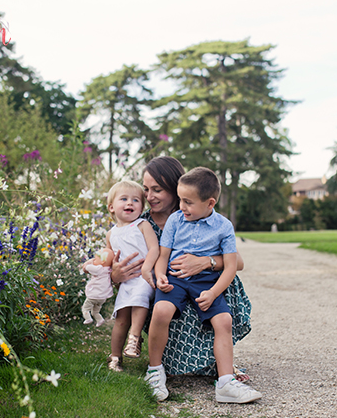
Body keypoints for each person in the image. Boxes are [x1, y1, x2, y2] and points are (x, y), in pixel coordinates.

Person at [111, 157, 252, 379]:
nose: (148, 196)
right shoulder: (139, 222)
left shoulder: (198, 213)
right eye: (146, 189)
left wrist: (206, 261)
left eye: (157, 189)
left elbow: (238, 262)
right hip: (164, 287)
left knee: (217, 289)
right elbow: (117, 255)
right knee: (167, 301)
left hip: (200, 282)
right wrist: (114, 274)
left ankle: (220, 362)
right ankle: (165, 364)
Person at [146, 166, 261, 403]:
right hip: (175, 278)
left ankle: (226, 382)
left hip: (207, 282)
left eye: (188, 202)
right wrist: (160, 276)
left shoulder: (223, 226)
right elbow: (163, 256)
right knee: (161, 310)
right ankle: (154, 372)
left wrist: (213, 293)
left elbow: (231, 266)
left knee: (223, 320)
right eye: (180, 200)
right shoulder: (176, 221)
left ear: (210, 203)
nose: (181, 207)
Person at [104, 180, 160, 372]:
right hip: (127, 281)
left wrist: (147, 268)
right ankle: (115, 357)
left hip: (144, 277)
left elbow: (154, 248)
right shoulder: (111, 234)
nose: (130, 203)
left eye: (136, 200)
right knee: (120, 319)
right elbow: (108, 258)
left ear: (141, 207)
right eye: (124, 199)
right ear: (112, 207)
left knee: (140, 298)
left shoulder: (142, 225)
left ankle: (134, 338)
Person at [80, 247, 114, 327]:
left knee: (85, 309)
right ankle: (100, 320)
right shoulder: (108, 270)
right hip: (102, 298)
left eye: (95, 259)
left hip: (94, 296)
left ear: (102, 261)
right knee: (95, 311)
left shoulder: (99, 269)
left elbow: (87, 267)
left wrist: (90, 262)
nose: (94, 260)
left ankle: (88, 319)